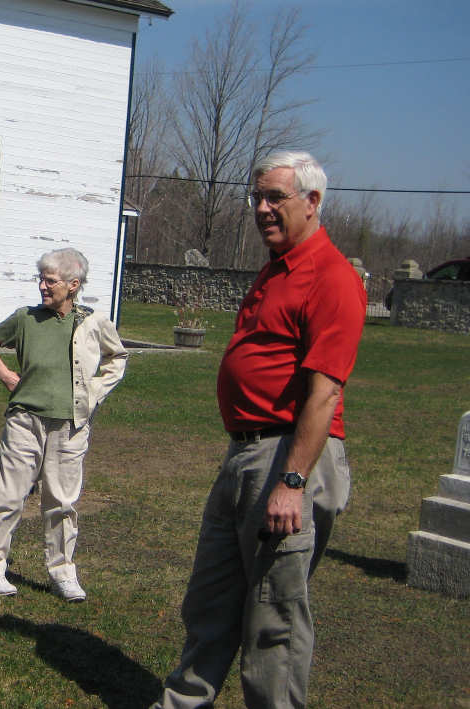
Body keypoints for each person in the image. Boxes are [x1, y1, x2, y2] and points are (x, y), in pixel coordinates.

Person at [154, 151, 366, 708]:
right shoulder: (278, 268)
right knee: (211, 601)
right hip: (245, 455)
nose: (262, 208)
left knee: (274, 617)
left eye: (276, 197)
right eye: (257, 197)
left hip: (289, 455)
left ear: (313, 202)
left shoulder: (332, 277)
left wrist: (291, 483)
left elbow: (324, 392)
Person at [0, 248, 128, 602]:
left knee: (62, 503)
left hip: (71, 427)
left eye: (51, 281)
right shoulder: (25, 318)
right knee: (8, 496)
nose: (43, 286)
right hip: (24, 421)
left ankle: (62, 573)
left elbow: (117, 357)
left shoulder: (93, 322)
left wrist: (94, 393)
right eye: (41, 279)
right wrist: (5, 373)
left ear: (73, 285)